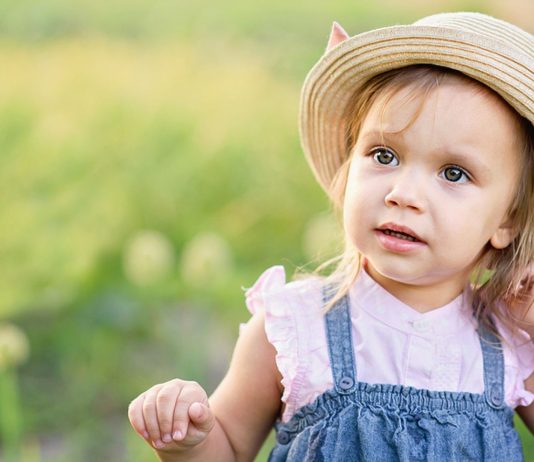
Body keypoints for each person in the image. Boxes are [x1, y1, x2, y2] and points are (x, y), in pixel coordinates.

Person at [128, 12, 534, 461]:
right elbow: (227, 450)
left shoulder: (511, 344)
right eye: (384, 154)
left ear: (508, 220)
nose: (403, 194)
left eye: (453, 173)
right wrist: (193, 439)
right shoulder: (294, 327)